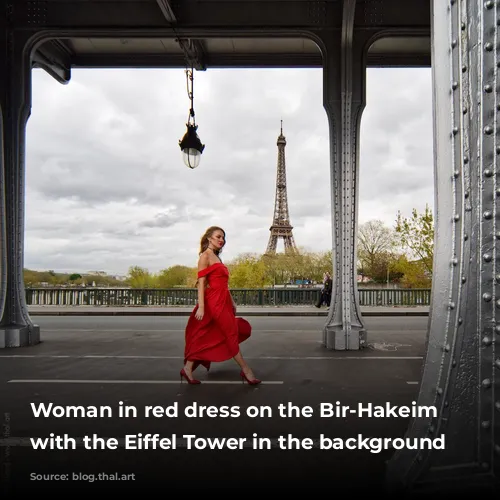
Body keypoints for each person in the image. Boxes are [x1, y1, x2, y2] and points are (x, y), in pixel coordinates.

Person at [180, 226, 261, 385]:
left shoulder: (217, 258)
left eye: (223, 237)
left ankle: (188, 368)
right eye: (218, 236)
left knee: (210, 334)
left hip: (223, 299)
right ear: (209, 238)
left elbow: (225, 284)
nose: (221, 240)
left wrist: (232, 301)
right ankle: (246, 371)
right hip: (214, 301)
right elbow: (201, 283)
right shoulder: (205, 256)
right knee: (230, 334)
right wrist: (202, 306)